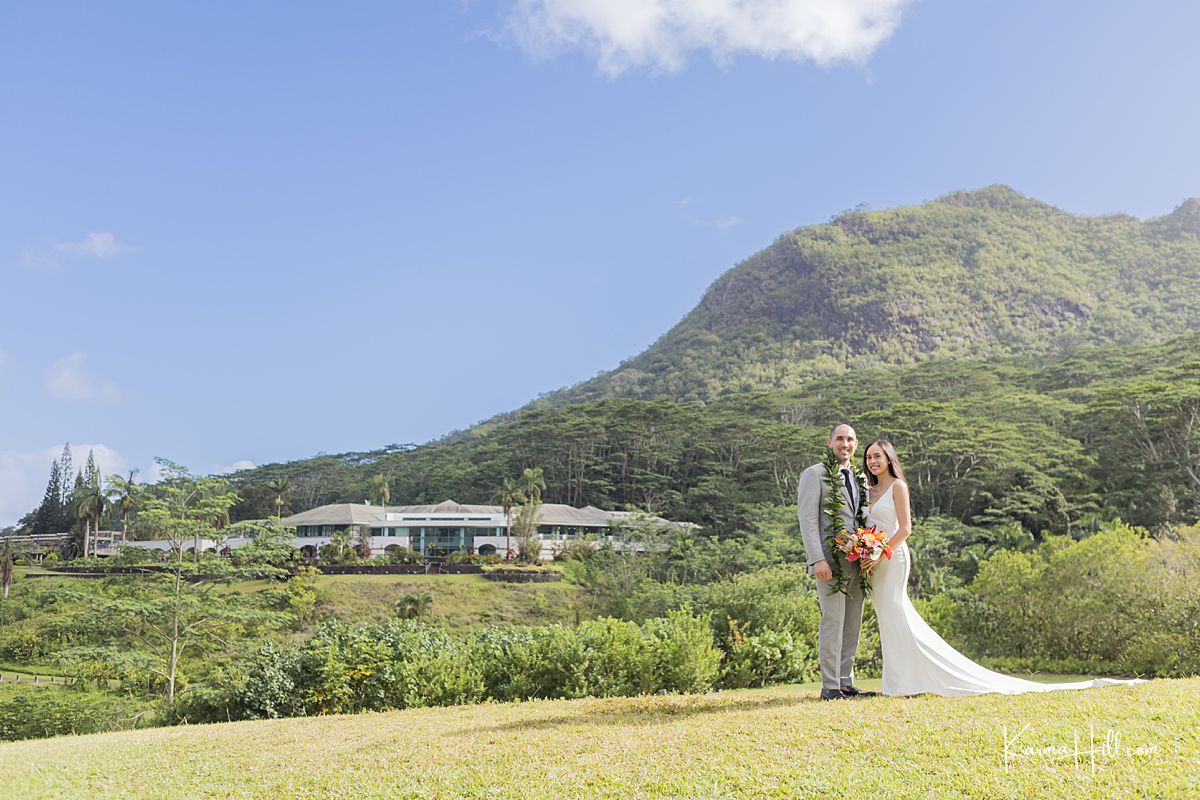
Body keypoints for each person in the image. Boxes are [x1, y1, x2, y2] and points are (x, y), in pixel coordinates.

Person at [860, 439, 1146, 697]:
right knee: (887, 616)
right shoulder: (869, 488)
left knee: (896, 613)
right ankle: (899, 680)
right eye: (869, 457)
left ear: (889, 459)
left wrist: (879, 552)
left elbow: (906, 528)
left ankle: (905, 682)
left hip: (892, 557)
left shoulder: (899, 486)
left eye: (878, 456)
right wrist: (865, 548)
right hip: (875, 560)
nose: (873, 461)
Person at [797, 424, 876, 700]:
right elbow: (807, 520)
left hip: (856, 562)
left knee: (853, 622)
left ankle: (845, 681)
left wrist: (869, 551)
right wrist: (817, 558)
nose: (845, 443)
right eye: (840, 439)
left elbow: (862, 517)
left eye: (851, 439)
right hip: (829, 562)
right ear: (829, 442)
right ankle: (830, 686)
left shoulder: (859, 478)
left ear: (856, 444)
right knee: (833, 620)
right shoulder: (815, 474)